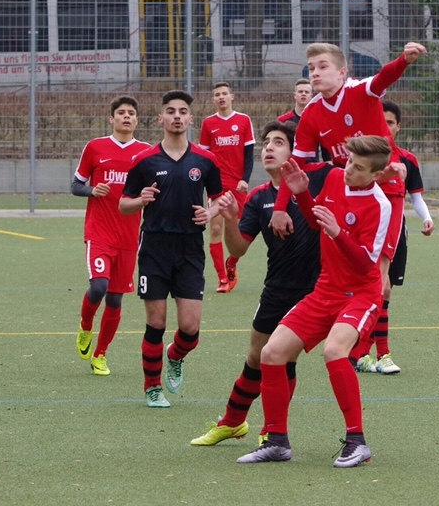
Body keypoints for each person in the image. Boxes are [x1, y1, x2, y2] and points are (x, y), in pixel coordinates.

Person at [236, 136, 394, 468]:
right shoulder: (336, 178)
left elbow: (367, 266)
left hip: (361, 295)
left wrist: (339, 232)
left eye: (359, 168)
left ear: (376, 175)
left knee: (334, 350)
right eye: (349, 161)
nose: (349, 170)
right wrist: (302, 193)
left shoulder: (381, 205)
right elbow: (314, 221)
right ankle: (277, 441)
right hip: (325, 291)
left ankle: (357, 441)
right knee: (271, 353)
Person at [270, 42, 427, 341]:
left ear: (342, 73)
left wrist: (404, 61)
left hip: (385, 190)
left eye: (323, 66)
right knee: (338, 271)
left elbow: (382, 78)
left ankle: (374, 351)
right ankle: (348, 338)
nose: (315, 73)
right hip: (346, 189)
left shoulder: (360, 91)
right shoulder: (313, 113)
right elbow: (294, 167)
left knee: (378, 278)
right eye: (311, 68)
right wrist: (280, 206)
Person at [190, 121, 333, 446]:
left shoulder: (320, 179)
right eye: (266, 142)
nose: (268, 147)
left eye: (278, 142)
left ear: (296, 151)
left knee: (282, 357)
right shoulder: (258, 197)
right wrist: (230, 219)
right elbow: (238, 248)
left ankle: (272, 429)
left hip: (314, 290)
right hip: (276, 289)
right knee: (256, 358)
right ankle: (232, 422)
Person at [119, 90, 223, 408]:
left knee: (190, 328)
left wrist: (211, 212)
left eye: (182, 112)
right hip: (154, 248)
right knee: (157, 322)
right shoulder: (144, 160)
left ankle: (175, 355)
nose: (176, 116)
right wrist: (141, 200)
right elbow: (124, 204)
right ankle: (152, 387)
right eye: (170, 111)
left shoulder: (205, 160)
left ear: (190, 119)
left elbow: (219, 198)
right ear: (161, 118)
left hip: (191, 249)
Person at [73, 95, 151, 376]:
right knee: (99, 287)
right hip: (99, 232)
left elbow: (155, 191)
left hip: (129, 237)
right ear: (112, 119)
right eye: (121, 113)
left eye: (131, 113)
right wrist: (91, 190)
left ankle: (101, 354)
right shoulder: (95, 147)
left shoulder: (145, 153)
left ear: (137, 120)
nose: (126, 117)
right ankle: (85, 326)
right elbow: (76, 185)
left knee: (116, 299)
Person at [356, 99, 435, 374]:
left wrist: (426, 217)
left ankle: (362, 354)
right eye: (381, 121)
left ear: (398, 127)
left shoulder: (407, 160)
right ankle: (381, 354)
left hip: (395, 232)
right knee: (379, 288)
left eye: (390, 122)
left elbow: (416, 197)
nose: (385, 126)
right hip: (368, 232)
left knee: (383, 292)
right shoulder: (364, 159)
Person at [199, 81, 255, 293]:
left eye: (224, 93)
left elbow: (249, 155)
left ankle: (231, 264)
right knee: (215, 228)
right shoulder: (208, 123)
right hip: (217, 185)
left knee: (238, 234)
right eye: (217, 94)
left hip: (237, 185)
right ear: (213, 100)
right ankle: (222, 278)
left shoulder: (243, 120)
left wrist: (245, 179)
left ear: (232, 96)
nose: (221, 97)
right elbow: (204, 157)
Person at [278, 78, 330, 162]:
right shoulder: (283, 121)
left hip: (312, 169)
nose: (303, 94)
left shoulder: (319, 120)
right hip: (290, 167)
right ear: (294, 95)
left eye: (306, 92)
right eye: (300, 91)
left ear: (312, 96)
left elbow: (326, 151)